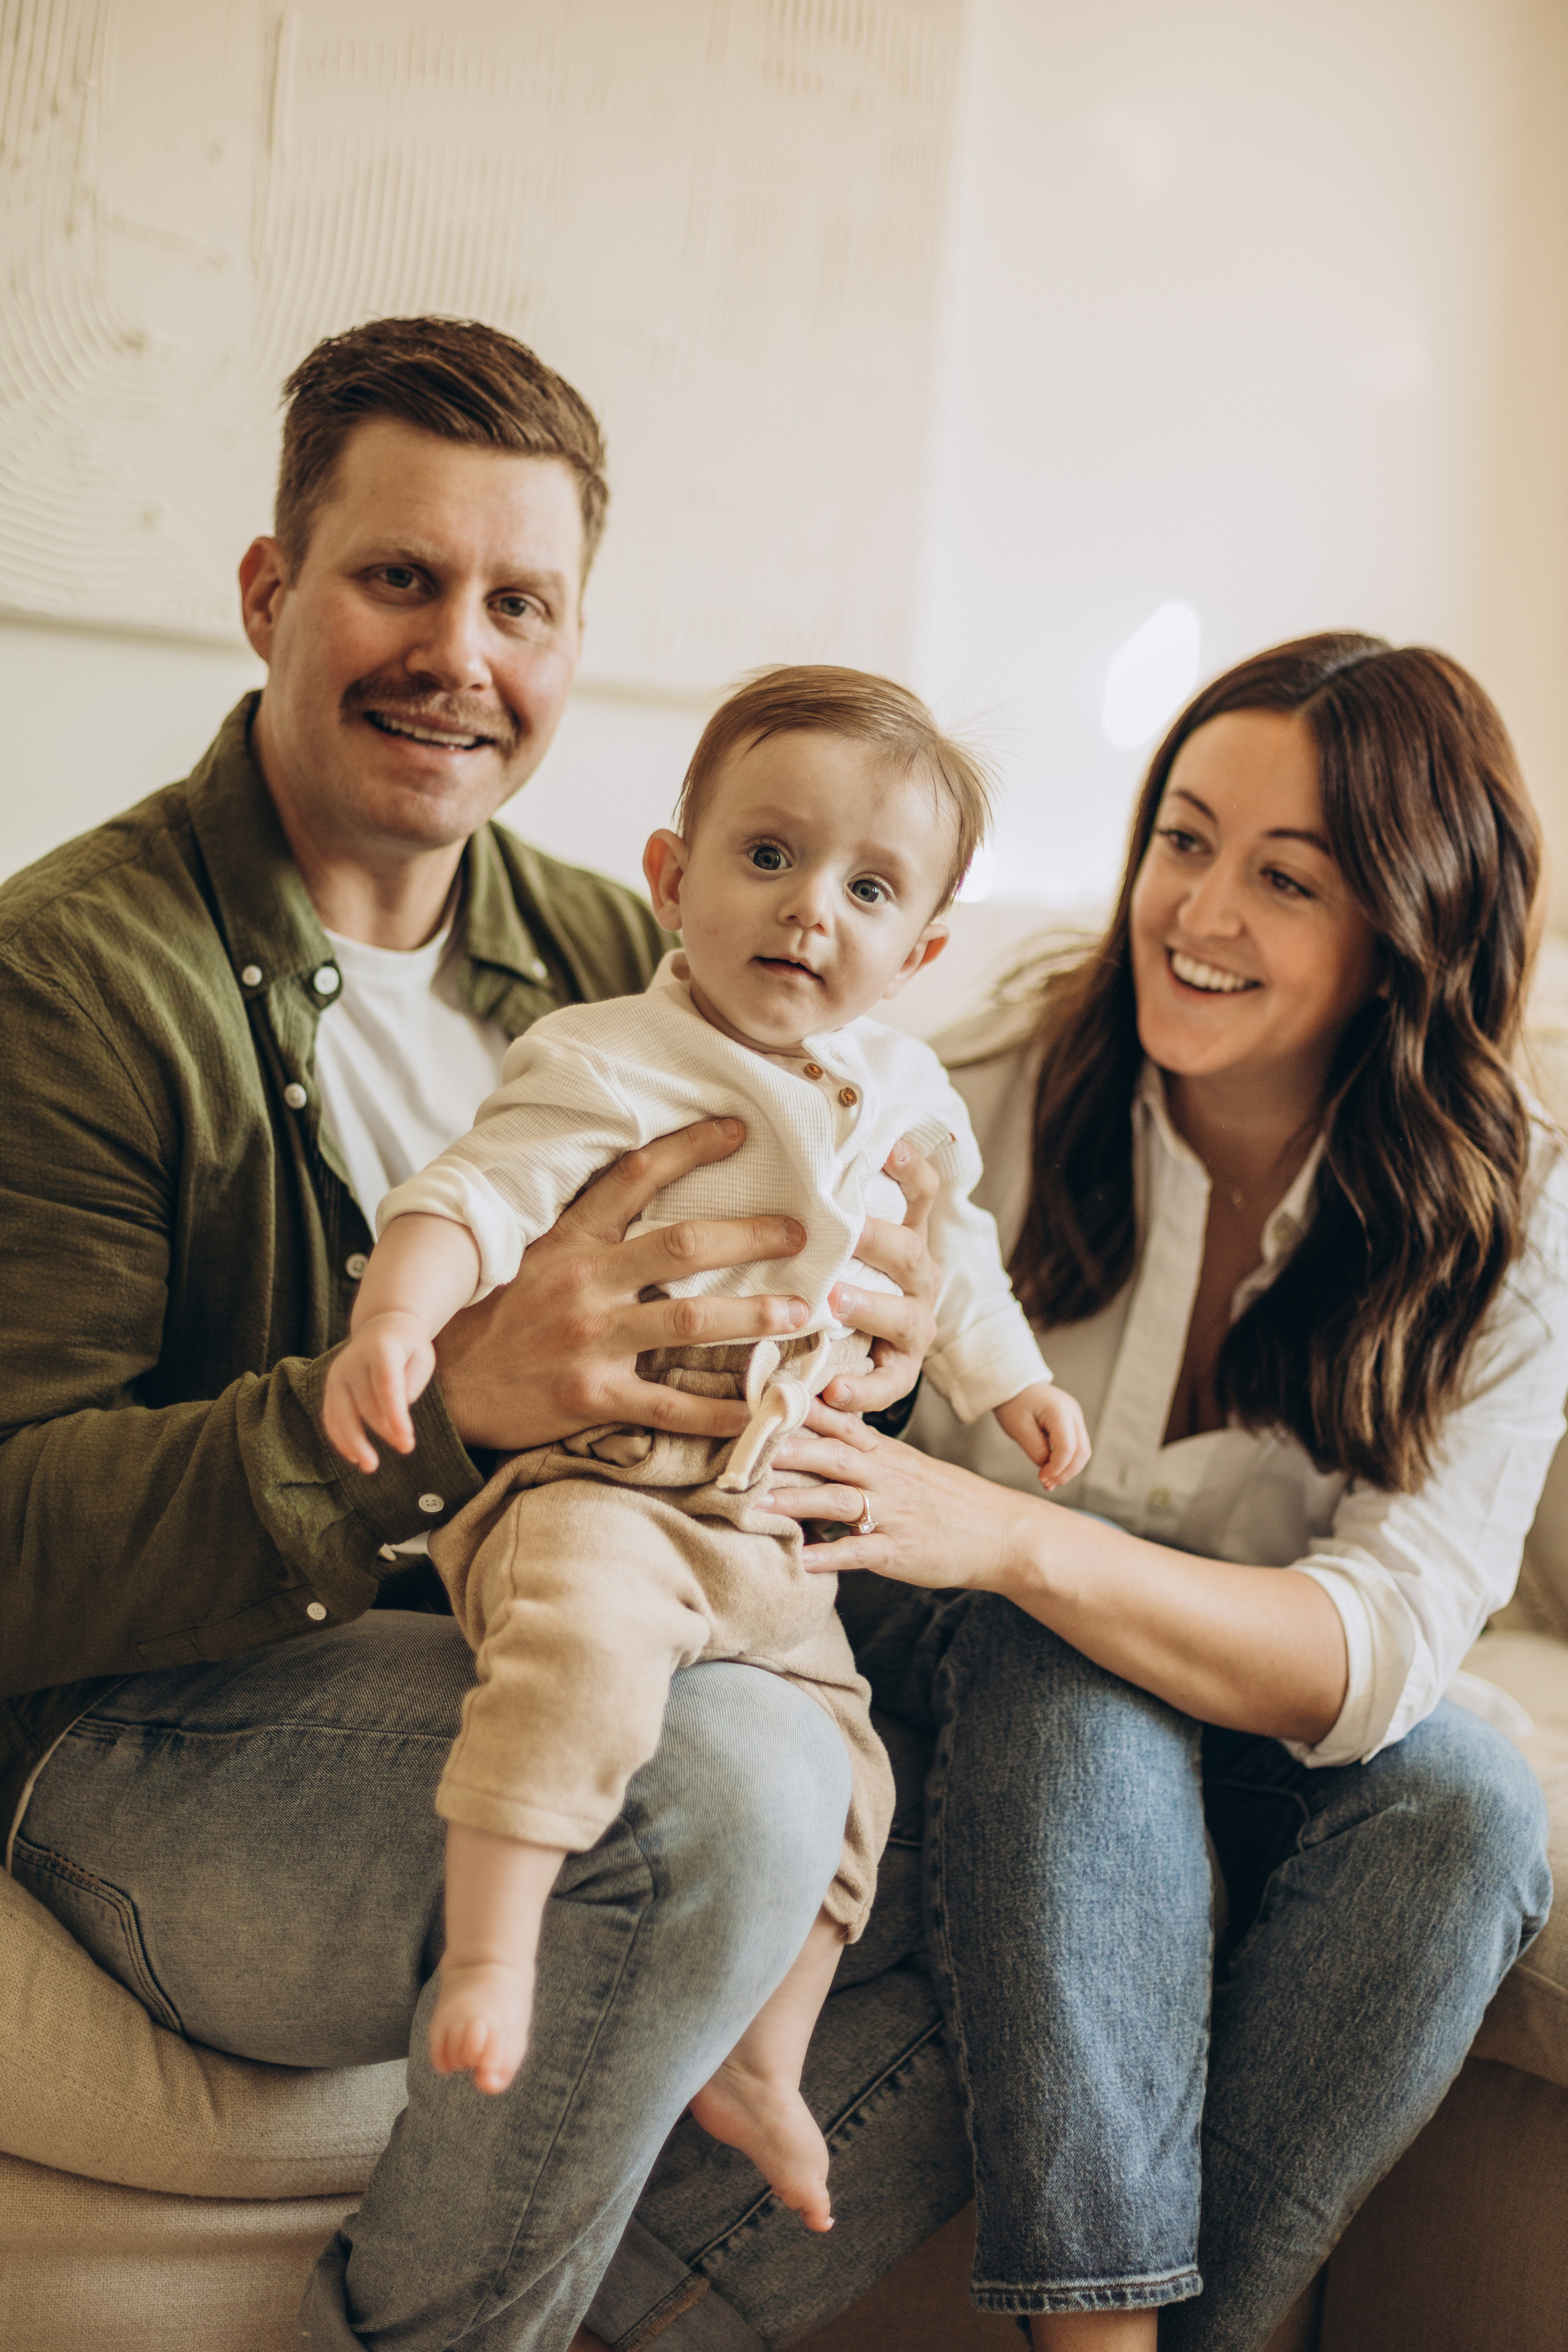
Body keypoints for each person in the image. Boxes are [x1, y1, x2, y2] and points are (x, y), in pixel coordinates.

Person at [0, 317, 949, 2351]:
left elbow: (843, 1254)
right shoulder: (72, 982)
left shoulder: (635, 951)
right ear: (271, 593)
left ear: (577, 641)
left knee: (1032, 1719)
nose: (462, 654)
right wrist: (453, 1409)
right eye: (399, 578)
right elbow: (14, 1540)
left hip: (560, 1611)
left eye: (521, 601)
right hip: (147, 1722)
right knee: (727, 1795)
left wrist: (885, 1330)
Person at [742, 632, 1563, 2348]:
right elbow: (815, 1182)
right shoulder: (1011, 1072)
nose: (1195, 909)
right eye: (1183, 839)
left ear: (1408, 929)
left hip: (1221, 1729)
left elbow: (1388, 1646)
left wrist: (1031, 1537)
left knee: (1477, 1800)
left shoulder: (1515, 1212)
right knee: (1065, 1643)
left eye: (1286, 877)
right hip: (950, 1680)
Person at [322, 664, 1087, 2229]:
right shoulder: (610, 1055)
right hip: (599, 1491)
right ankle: (495, 1943)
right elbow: (476, 1196)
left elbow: (961, 1262)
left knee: (850, 1770)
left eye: (865, 887)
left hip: (762, 1529)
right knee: (577, 1656)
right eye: (766, 857)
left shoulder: (908, 1086)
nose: (808, 910)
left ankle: (763, 2058)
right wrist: (397, 1322)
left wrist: (1009, 1384)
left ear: (920, 950)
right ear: (673, 877)